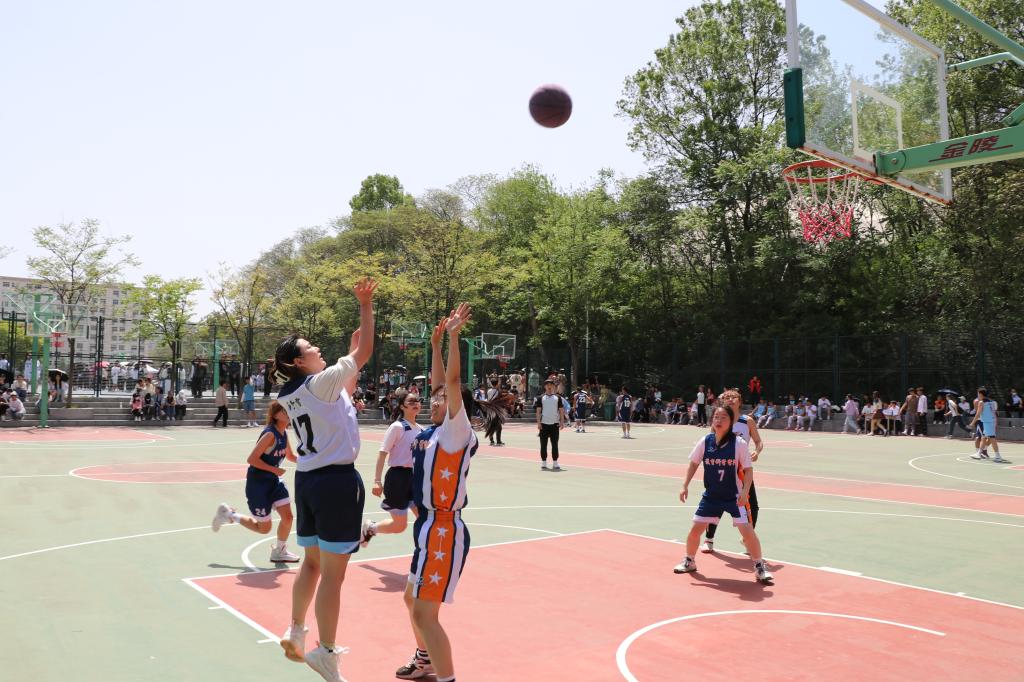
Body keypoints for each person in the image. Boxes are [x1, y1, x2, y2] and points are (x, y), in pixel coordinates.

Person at [273, 277, 376, 681]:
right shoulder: (321, 382)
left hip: (308, 482)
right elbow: (364, 354)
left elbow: (345, 383)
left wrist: (352, 353)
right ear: (299, 361)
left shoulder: (292, 393)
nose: (317, 348)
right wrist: (365, 305)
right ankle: (326, 653)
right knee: (334, 575)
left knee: (312, 564)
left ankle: (296, 630)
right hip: (336, 483)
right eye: (310, 347)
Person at [395, 305, 486, 682]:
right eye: (432, 397)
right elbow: (440, 383)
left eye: (442, 398)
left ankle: (445, 676)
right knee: (410, 599)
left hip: (445, 529)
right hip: (427, 527)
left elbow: (451, 380)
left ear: (455, 406)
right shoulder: (432, 432)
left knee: (424, 613)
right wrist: (434, 345)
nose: (433, 400)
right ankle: (425, 660)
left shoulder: (455, 430)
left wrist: (453, 337)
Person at [675, 404, 773, 584]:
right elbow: (694, 464)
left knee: (748, 532)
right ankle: (689, 560)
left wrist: (745, 491)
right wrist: (685, 485)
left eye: (723, 418)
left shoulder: (739, 444)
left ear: (731, 422)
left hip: (733, 496)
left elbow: (748, 471)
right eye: (716, 417)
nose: (719, 420)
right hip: (711, 496)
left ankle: (759, 567)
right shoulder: (705, 441)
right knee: (695, 530)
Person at [212, 401, 301, 562]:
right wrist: (274, 469)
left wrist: (314, 461)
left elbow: (291, 456)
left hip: (274, 482)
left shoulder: (283, 434)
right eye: (284, 410)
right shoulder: (270, 435)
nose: (288, 411)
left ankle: (279, 551)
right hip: (258, 485)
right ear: (275, 415)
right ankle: (229, 514)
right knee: (264, 529)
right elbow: (252, 459)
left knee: (288, 517)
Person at [701, 388, 765, 554]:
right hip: (722, 468)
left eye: (734, 397)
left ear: (740, 401)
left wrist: (756, 452)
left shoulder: (747, 421)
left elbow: (758, 442)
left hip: (741, 470)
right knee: (716, 504)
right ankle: (709, 539)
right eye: (727, 397)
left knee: (752, 506)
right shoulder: (720, 420)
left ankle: (747, 539)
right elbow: (711, 441)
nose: (730, 399)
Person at [362, 388, 423, 546]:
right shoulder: (398, 427)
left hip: (416, 478)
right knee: (399, 526)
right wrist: (377, 481)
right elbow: (382, 453)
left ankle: (424, 551)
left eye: (417, 401)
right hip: (398, 478)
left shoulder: (422, 430)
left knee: (425, 518)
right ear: (402, 406)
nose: (416, 403)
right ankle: (371, 528)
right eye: (411, 401)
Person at [535, 379, 566, 470]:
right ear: (545, 386)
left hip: (555, 424)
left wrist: (562, 422)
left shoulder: (558, 398)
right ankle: (544, 462)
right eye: (547, 385)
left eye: (551, 385)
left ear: (553, 386)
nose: (549, 386)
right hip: (544, 424)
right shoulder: (540, 398)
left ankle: (555, 462)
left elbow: (561, 410)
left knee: (555, 444)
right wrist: (538, 423)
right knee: (543, 444)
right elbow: (538, 411)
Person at [970, 388, 1005, 463]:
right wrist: (995, 422)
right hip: (990, 422)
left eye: (978, 394)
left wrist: (972, 423)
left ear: (981, 394)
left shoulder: (981, 402)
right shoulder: (991, 402)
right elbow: (993, 413)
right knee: (983, 438)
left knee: (992, 438)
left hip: (988, 422)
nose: (977, 395)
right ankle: (979, 453)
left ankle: (998, 456)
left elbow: (978, 414)